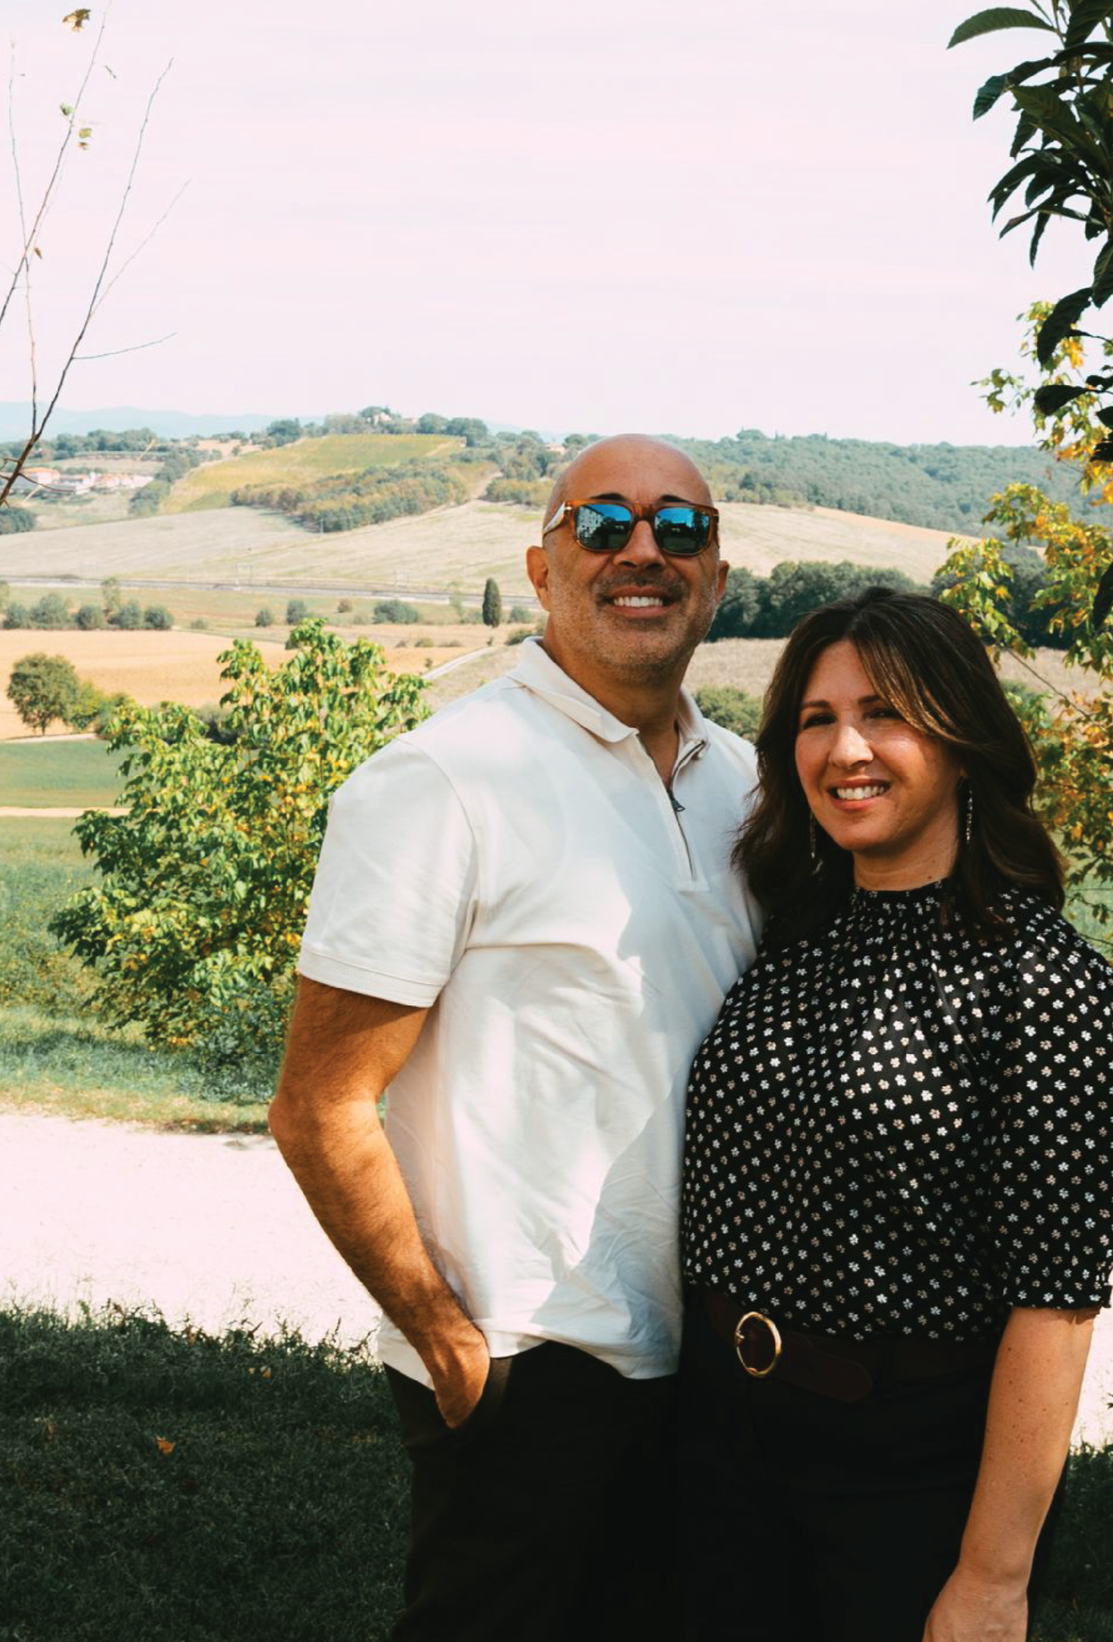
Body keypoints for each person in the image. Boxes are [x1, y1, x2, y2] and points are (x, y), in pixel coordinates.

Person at [268, 434, 759, 1642]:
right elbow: (319, 1104)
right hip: (532, 1360)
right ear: (542, 567)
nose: (640, 550)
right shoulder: (441, 781)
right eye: (600, 524)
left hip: (720, 1368)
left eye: (677, 529)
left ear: (717, 577)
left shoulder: (746, 784)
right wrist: (449, 1340)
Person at [677, 587, 1113, 1642]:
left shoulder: (1042, 984)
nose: (847, 747)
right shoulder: (790, 937)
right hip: (718, 1439)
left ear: (963, 737)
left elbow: (1055, 1304)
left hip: (901, 1470)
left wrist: (990, 1576)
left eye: (885, 712)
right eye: (815, 717)